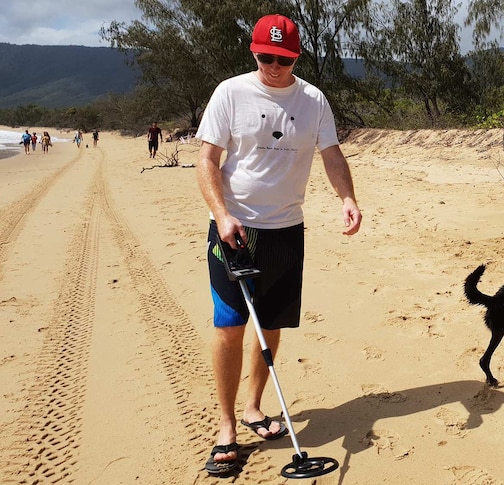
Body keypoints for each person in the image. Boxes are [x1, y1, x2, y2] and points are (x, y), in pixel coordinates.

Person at [195, 14, 362, 476]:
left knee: (271, 327)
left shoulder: (313, 100)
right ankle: (226, 426)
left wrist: (347, 198)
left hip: (287, 230)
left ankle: (253, 407)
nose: (272, 65)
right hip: (234, 230)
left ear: (296, 56)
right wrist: (224, 215)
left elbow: (331, 154)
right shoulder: (230, 92)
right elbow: (207, 159)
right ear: (254, 52)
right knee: (229, 326)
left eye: (282, 58)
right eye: (264, 56)